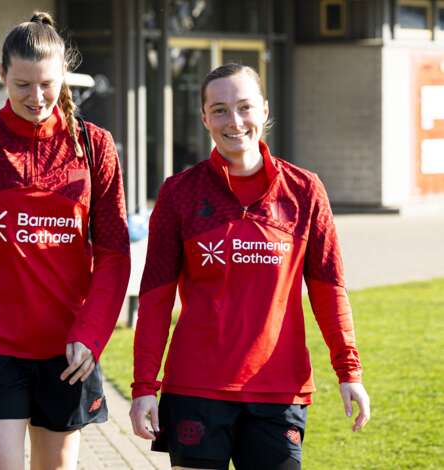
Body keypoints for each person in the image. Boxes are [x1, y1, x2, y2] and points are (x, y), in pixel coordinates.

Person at [129, 63, 371, 470]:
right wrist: (143, 388)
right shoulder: (179, 193)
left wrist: (349, 371)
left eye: (244, 107)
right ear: (204, 117)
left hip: (278, 393)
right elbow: (155, 298)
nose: (234, 121)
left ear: (264, 110)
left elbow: (329, 290)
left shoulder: (304, 191)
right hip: (196, 388)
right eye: (219, 109)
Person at [0, 12, 131, 470]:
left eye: (47, 85)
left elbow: (115, 256)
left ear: (64, 77)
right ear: (2, 75)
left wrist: (92, 335)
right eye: (21, 85)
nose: (36, 98)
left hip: (67, 352)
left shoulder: (95, 146)